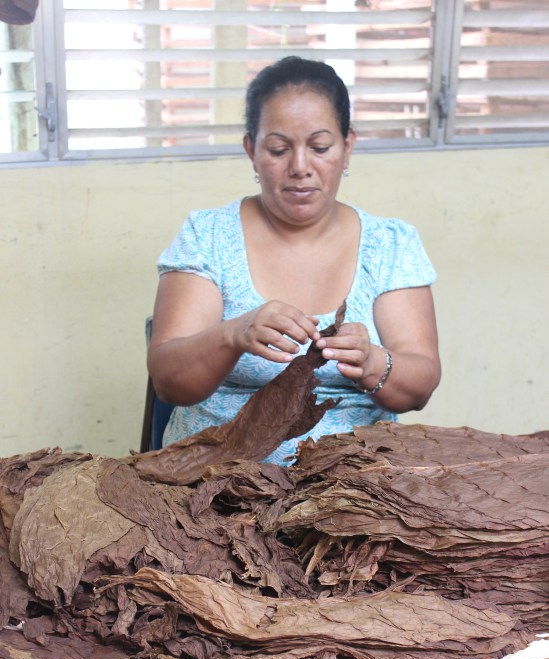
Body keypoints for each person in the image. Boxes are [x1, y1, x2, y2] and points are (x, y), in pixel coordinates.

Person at [148, 56, 441, 464]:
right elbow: (169, 381)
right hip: (212, 481)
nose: (300, 167)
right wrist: (233, 334)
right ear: (252, 149)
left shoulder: (391, 244)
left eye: (320, 147)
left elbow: (420, 385)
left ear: (347, 147)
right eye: (279, 149)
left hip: (354, 488)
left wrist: (374, 361)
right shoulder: (208, 237)